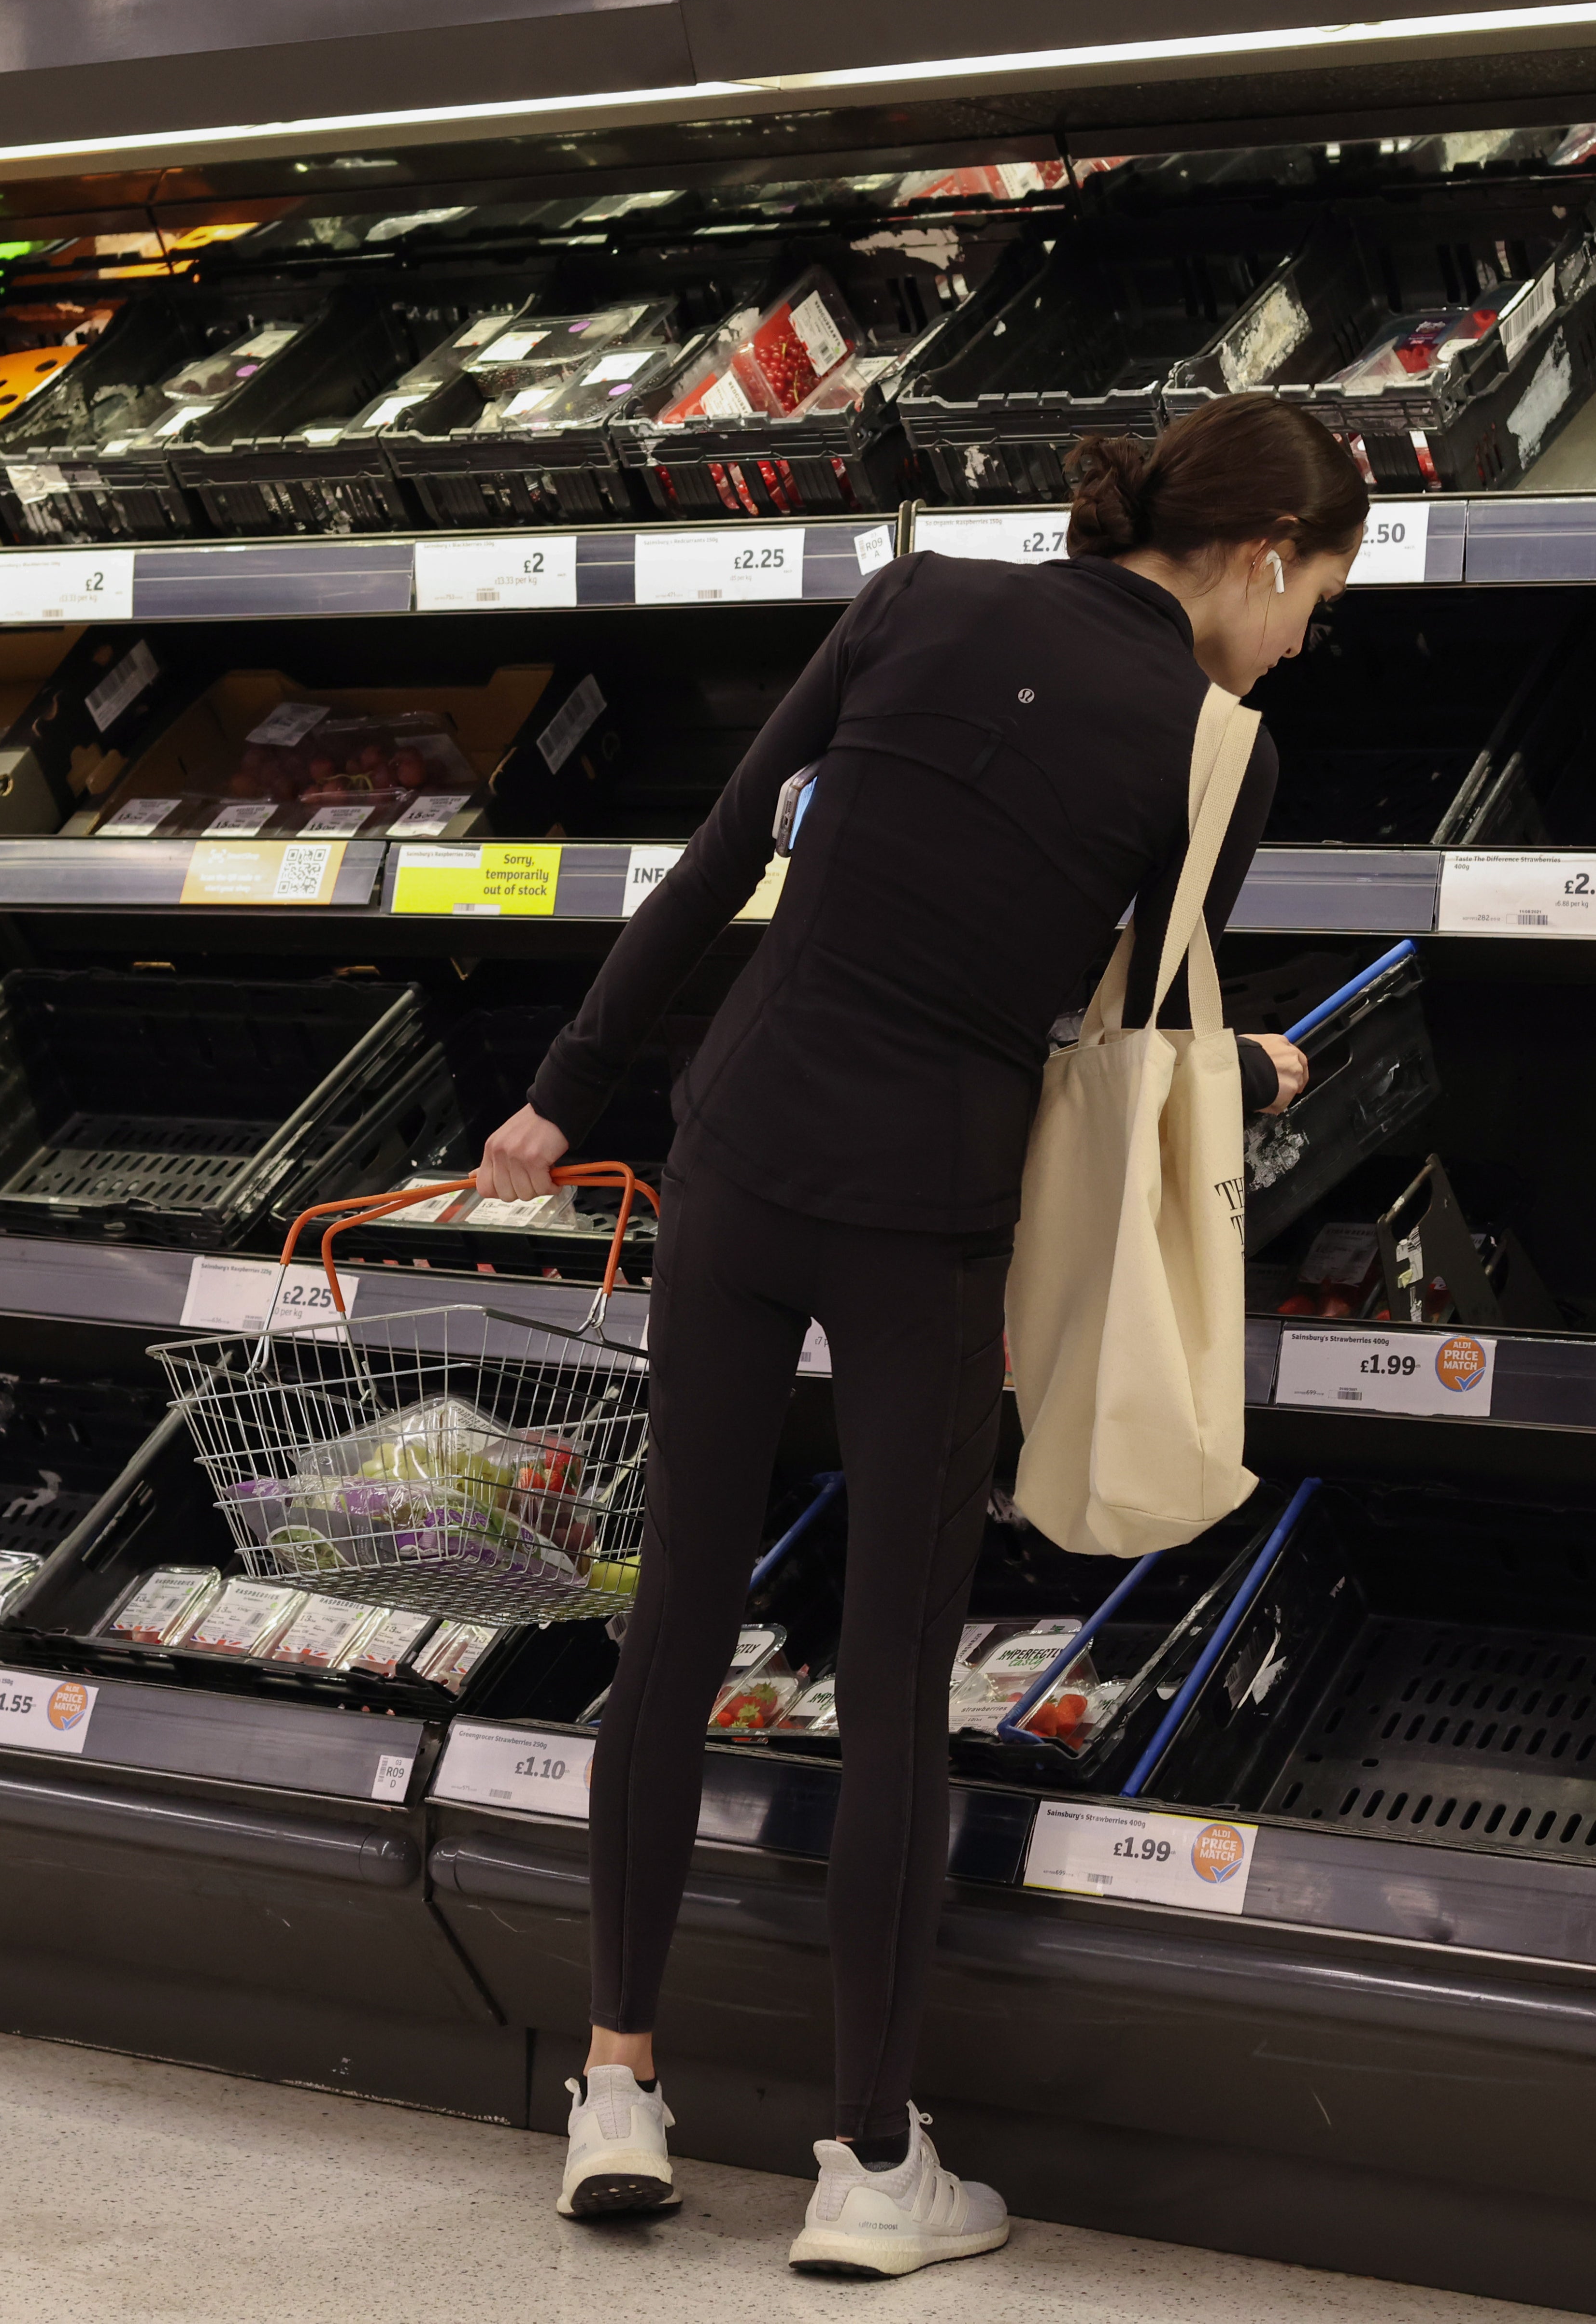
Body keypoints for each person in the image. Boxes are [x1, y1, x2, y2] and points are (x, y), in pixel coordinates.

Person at [480, 391, 1366, 2279]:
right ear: (1265, 554)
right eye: (1317, 600)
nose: (1303, 642)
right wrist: (1252, 1066)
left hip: (738, 1141)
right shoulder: (1221, 753)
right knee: (889, 1676)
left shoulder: (913, 592)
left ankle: (617, 2085)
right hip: (929, 1217)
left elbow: (725, 851)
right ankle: (870, 2162)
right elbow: (1112, 1049)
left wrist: (564, 1092)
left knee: (676, 1619)